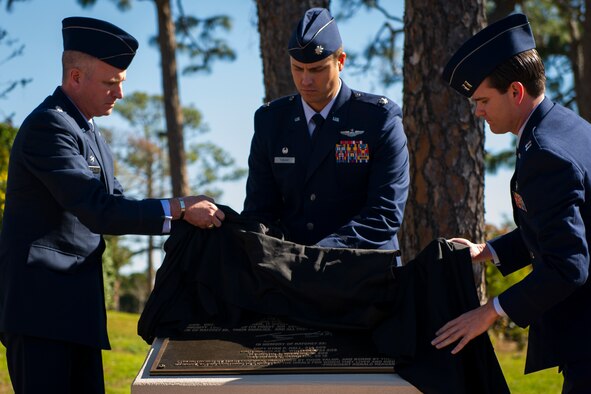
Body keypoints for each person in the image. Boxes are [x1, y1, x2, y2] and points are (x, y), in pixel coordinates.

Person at [0, 17, 225, 393]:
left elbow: (116, 203)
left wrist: (182, 211)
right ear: (75, 77)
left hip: (76, 314)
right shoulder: (48, 127)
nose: (119, 94)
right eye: (110, 83)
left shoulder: (90, 134)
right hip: (40, 313)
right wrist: (179, 208)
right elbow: (97, 209)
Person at [432, 13, 591, 392]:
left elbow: (569, 265)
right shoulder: (568, 128)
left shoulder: (546, 153)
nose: (478, 111)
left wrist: (490, 312)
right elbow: (554, 225)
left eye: (483, 100)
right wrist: (487, 252)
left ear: (516, 92)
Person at [243, 7, 409, 253]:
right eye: (298, 68)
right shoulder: (271, 122)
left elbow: (384, 214)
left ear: (340, 61)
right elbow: (260, 210)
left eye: (317, 69)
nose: (305, 80)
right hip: (291, 272)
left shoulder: (378, 120)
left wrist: (315, 255)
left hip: (362, 272)